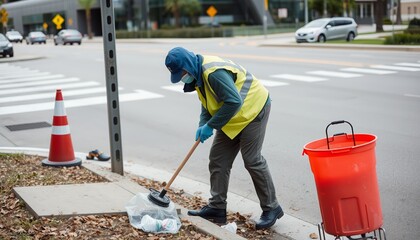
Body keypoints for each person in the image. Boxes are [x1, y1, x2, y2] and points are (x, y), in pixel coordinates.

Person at [165, 47, 283, 230]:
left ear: (188, 66)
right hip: (233, 116)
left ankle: (272, 208)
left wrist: (211, 126)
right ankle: (217, 208)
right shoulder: (197, 76)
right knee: (218, 159)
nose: (182, 78)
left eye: (182, 74)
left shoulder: (213, 73)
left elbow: (234, 101)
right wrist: (202, 124)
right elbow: (208, 103)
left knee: (252, 160)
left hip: (254, 109)